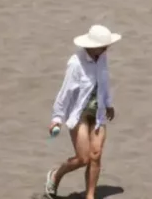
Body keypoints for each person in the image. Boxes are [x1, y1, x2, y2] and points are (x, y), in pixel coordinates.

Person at [45, 24, 121, 199]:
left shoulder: (102, 58)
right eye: (104, 45)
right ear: (94, 46)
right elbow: (65, 92)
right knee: (83, 158)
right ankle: (56, 174)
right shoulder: (75, 64)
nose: (107, 48)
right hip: (79, 113)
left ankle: (90, 195)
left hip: (98, 112)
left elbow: (104, 80)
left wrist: (108, 103)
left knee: (96, 154)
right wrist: (57, 118)